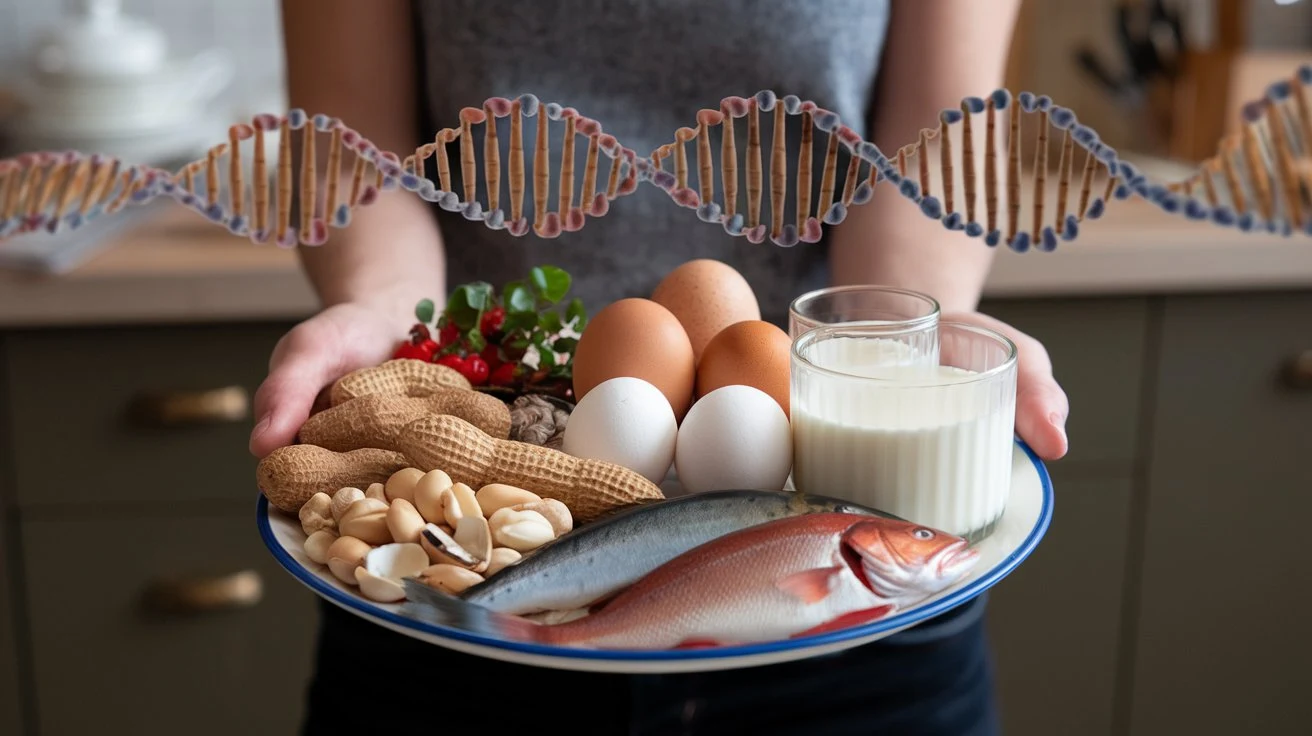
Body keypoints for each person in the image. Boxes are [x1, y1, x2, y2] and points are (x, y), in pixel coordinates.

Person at [253, 1, 1067, 733]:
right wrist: (386, 309)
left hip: (863, 639)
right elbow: (350, 129)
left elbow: (936, 131)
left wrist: (914, 327)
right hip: (456, 598)